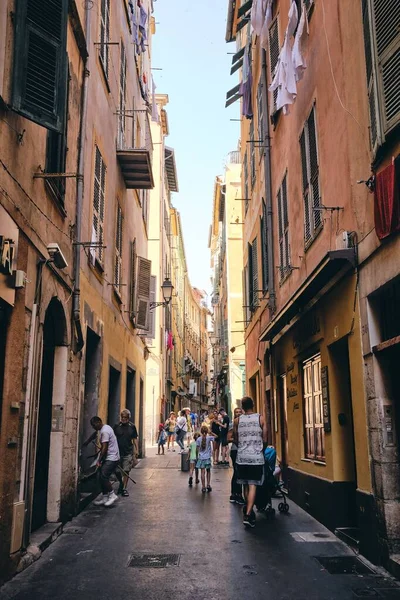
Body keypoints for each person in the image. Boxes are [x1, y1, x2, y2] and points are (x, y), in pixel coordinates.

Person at [233, 397, 268, 528]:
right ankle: (248, 514)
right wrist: (260, 450)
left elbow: (235, 439)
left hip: (242, 457)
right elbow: (265, 438)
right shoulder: (261, 418)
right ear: (253, 405)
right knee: (253, 485)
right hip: (256, 458)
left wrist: (243, 446)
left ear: (242, 407)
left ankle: (248, 508)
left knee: (245, 485)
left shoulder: (237, 420)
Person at [85, 416, 120, 507]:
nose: (93, 427)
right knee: (99, 476)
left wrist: (99, 460)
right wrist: (87, 441)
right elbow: (95, 434)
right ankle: (105, 497)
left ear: (99, 422)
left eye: (94, 425)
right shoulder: (105, 427)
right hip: (109, 457)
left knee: (104, 476)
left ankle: (112, 495)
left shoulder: (105, 431)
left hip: (112, 458)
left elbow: (104, 448)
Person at [113, 409, 138, 497]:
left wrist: (136, 450)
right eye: (122, 417)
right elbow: (113, 438)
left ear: (128, 418)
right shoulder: (116, 426)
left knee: (126, 471)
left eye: (125, 417)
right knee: (117, 471)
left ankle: (124, 488)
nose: (123, 419)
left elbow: (134, 439)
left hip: (128, 452)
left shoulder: (132, 426)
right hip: (117, 452)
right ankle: (120, 482)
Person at [228, 407, 245, 505]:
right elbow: (228, 438)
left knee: (238, 472)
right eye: (236, 412)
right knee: (237, 472)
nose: (238, 413)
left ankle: (235, 494)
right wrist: (237, 440)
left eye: (239, 412)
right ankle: (236, 494)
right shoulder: (232, 423)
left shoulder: (242, 423)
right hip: (235, 450)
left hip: (240, 450)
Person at [196, 426, 217, 493]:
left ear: (201, 431)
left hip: (201, 458)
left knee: (202, 472)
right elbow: (216, 436)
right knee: (208, 471)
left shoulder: (198, 439)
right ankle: (208, 484)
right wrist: (211, 432)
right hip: (207, 458)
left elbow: (197, 449)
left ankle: (203, 486)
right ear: (207, 431)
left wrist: (198, 455)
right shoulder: (209, 438)